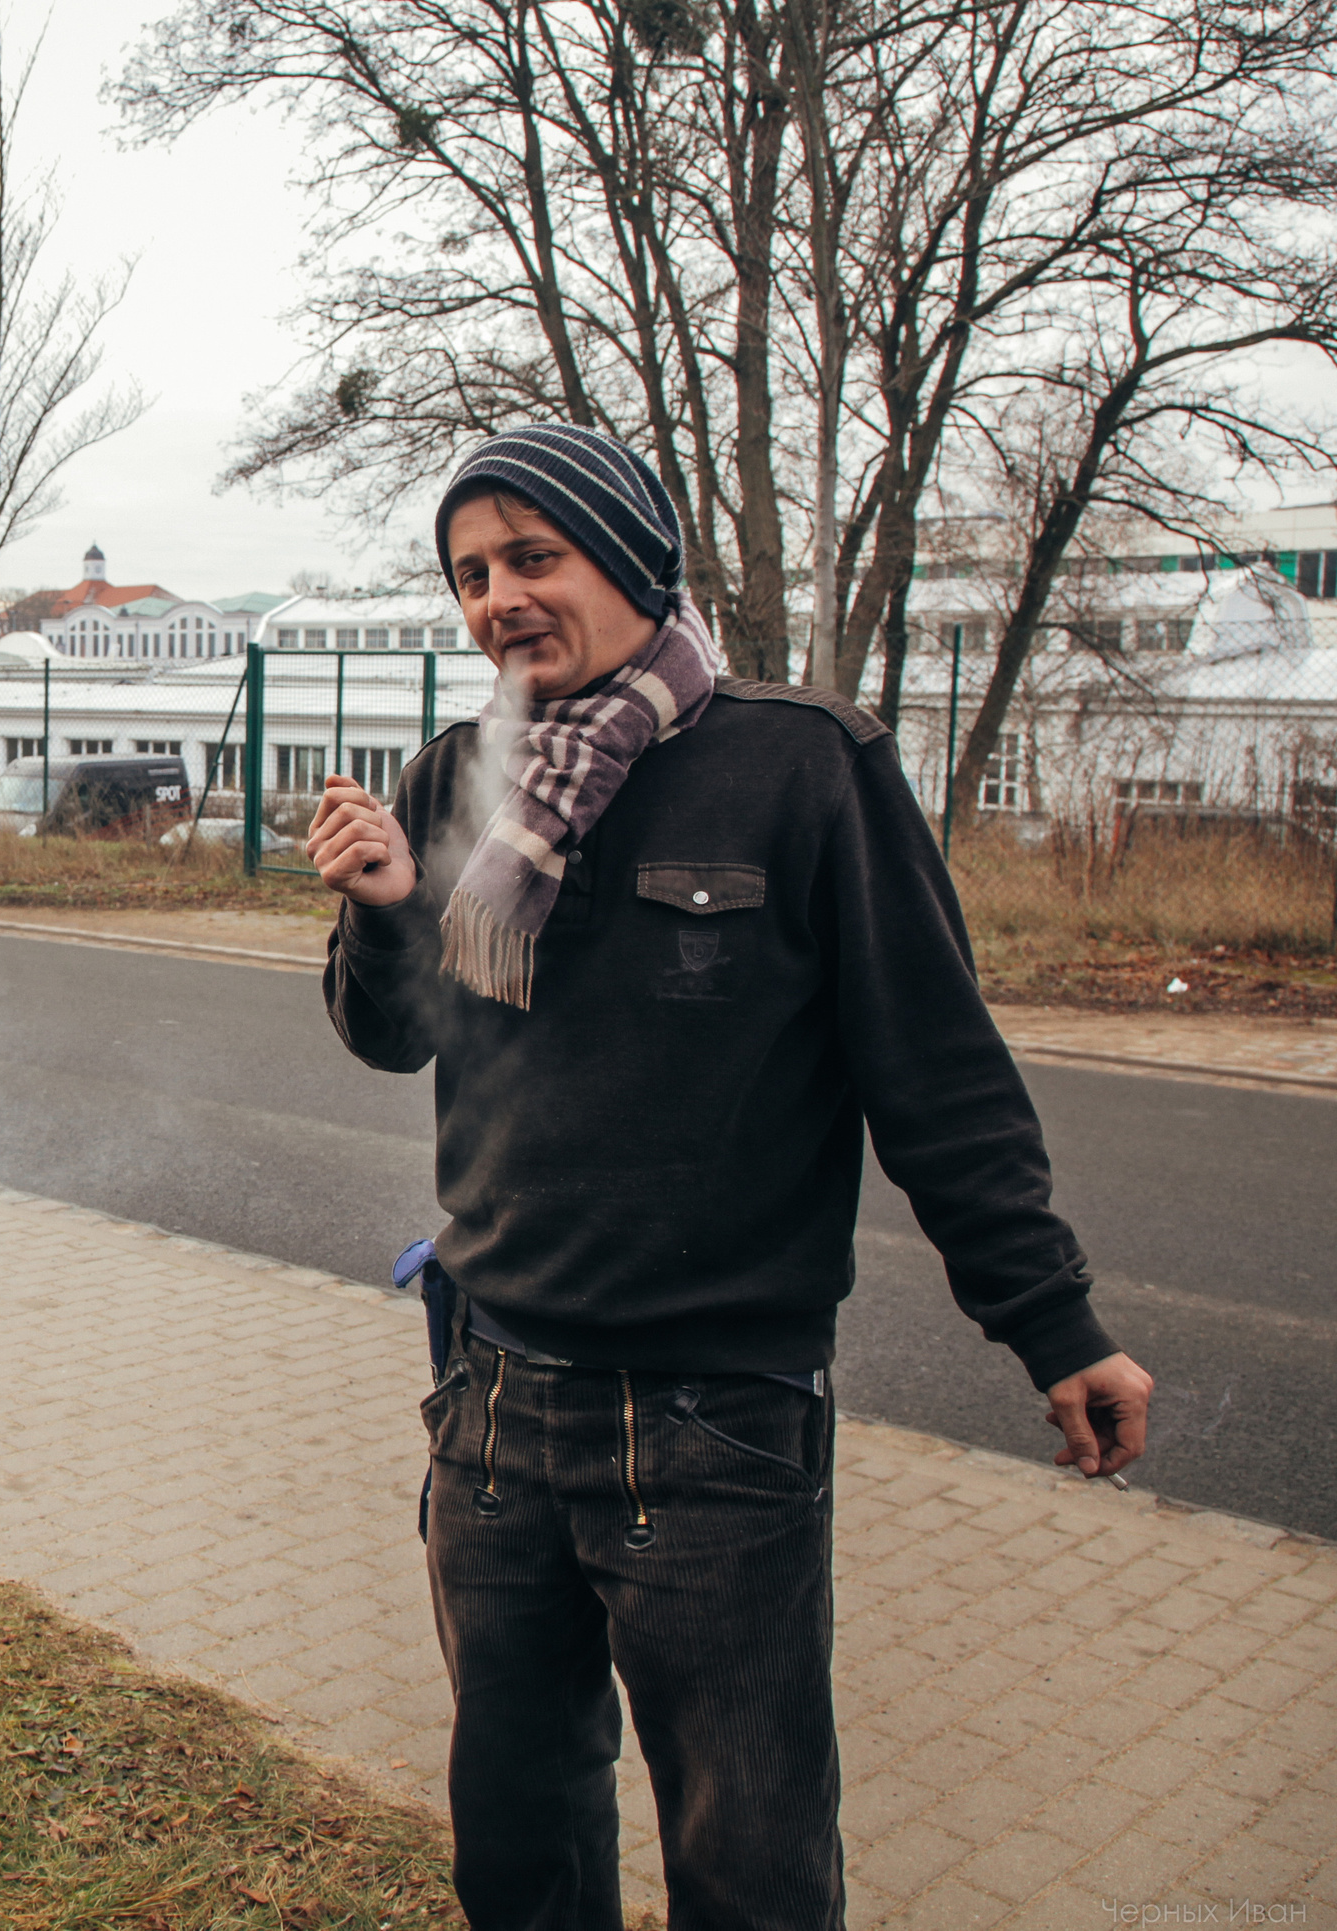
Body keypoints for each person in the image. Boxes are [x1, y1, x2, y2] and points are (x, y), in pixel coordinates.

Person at [308, 423, 1153, 1931]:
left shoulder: (804, 767)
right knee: (520, 1844)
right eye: (471, 574)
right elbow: (396, 1036)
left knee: (751, 1868)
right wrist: (381, 913)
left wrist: (1055, 1322)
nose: (499, 597)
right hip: (491, 1409)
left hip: (715, 1427)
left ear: (637, 559)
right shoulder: (455, 778)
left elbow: (937, 1075)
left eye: (534, 556)